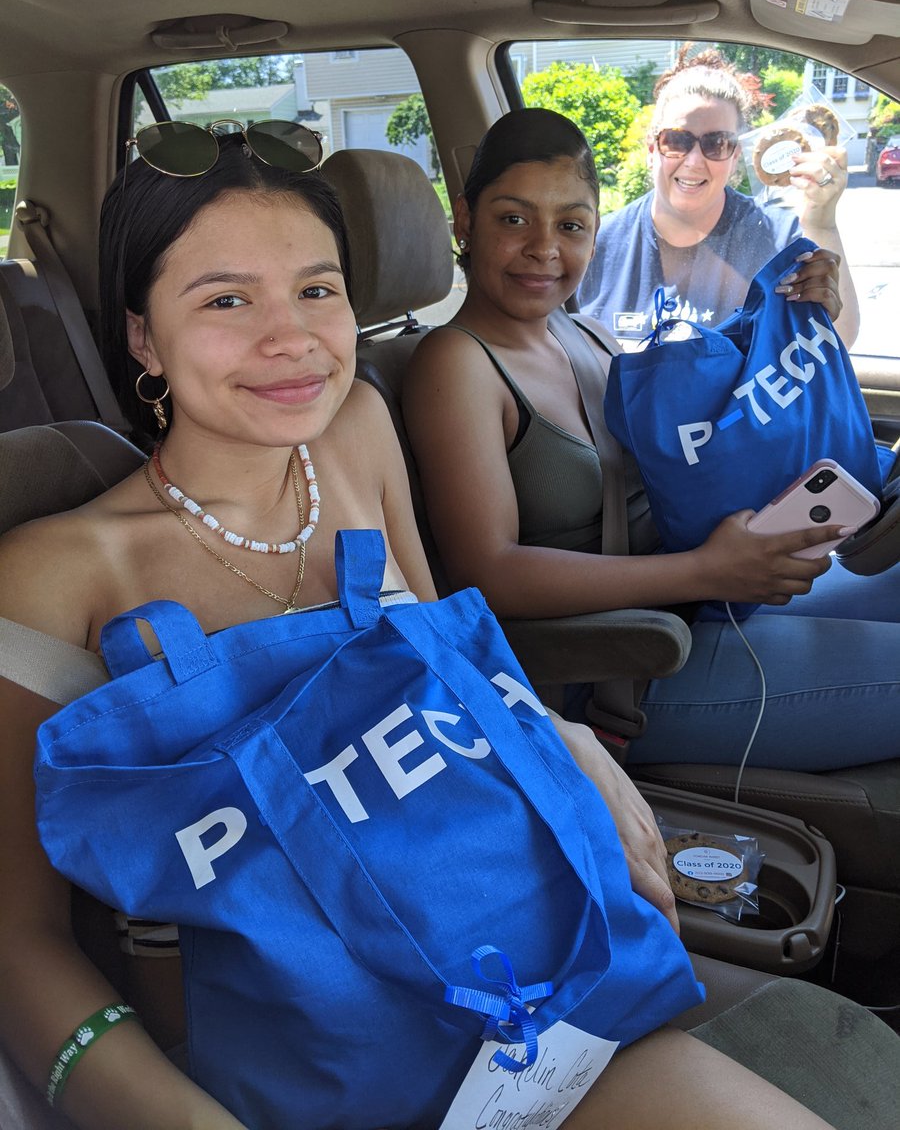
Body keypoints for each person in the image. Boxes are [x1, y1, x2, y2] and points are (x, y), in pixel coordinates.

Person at [0, 128, 840, 1130]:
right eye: (226, 300)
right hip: (305, 1056)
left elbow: (450, 663)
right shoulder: (57, 574)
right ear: (143, 336)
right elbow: (18, 937)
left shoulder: (356, 428)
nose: (292, 339)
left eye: (316, 290)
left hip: (541, 983)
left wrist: (563, 738)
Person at [402, 106, 900, 775]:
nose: (544, 247)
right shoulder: (455, 363)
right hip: (617, 667)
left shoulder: (586, 335)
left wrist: (799, 317)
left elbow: (710, 429)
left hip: (694, 603)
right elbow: (487, 573)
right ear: (465, 220)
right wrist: (706, 571)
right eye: (513, 219)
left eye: (571, 224)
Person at [576, 46, 861, 349]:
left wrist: (822, 223)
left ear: (735, 156)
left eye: (717, 143)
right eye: (677, 140)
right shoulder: (597, 245)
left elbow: (838, 338)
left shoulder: (778, 241)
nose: (694, 161)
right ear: (652, 149)